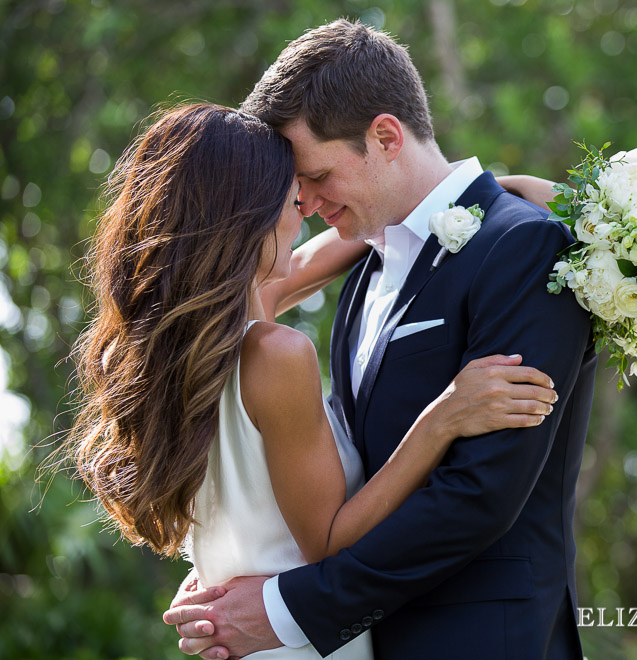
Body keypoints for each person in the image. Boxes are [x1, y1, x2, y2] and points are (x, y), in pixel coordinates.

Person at [165, 20, 598, 660]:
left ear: (386, 136)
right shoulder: (365, 266)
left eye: (314, 175)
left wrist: (290, 609)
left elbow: (480, 498)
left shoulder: (523, 245)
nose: (304, 203)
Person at [66, 102, 560, 659]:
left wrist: (483, 193)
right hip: (298, 639)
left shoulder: (180, 344)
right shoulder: (275, 353)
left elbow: (343, 243)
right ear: (247, 214)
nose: (306, 210)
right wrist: (442, 418)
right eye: (292, 195)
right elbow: (328, 541)